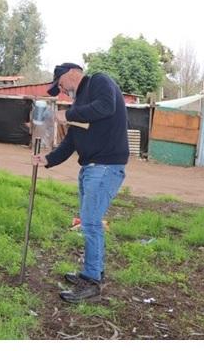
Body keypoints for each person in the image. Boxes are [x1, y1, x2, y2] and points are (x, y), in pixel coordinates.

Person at [32, 63, 129, 303]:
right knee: (89, 222)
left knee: (91, 224)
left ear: (70, 74)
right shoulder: (80, 105)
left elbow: (106, 107)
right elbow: (71, 141)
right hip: (90, 167)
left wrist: (68, 115)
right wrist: (47, 159)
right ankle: (90, 272)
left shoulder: (99, 81)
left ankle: (92, 283)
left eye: (61, 85)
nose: (62, 91)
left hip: (105, 166)